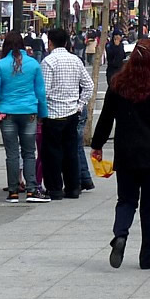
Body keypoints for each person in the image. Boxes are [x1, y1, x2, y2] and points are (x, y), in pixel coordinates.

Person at [92, 38, 150, 270]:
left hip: (126, 151)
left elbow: (106, 117)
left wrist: (98, 143)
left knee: (126, 200)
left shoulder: (119, 82)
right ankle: (146, 256)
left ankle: (120, 234)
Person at [0, 32, 49, 203]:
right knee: (29, 153)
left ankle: (13, 191)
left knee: (12, 153)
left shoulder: (0, 65)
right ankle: (31, 190)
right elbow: (40, 93)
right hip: (29, 112)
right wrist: (42, 114)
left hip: (6, 113)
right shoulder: (33, 64)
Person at [40, 28, 94, 200]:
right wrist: (80, 104)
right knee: (71, 153)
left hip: (53, 114)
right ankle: (73, 188)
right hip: (72, 113)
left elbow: (44, 91)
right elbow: (89, 85)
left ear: (50, 42)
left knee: (52, 154)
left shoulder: (48, 62)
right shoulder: (75, 60)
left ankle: (55, 188)